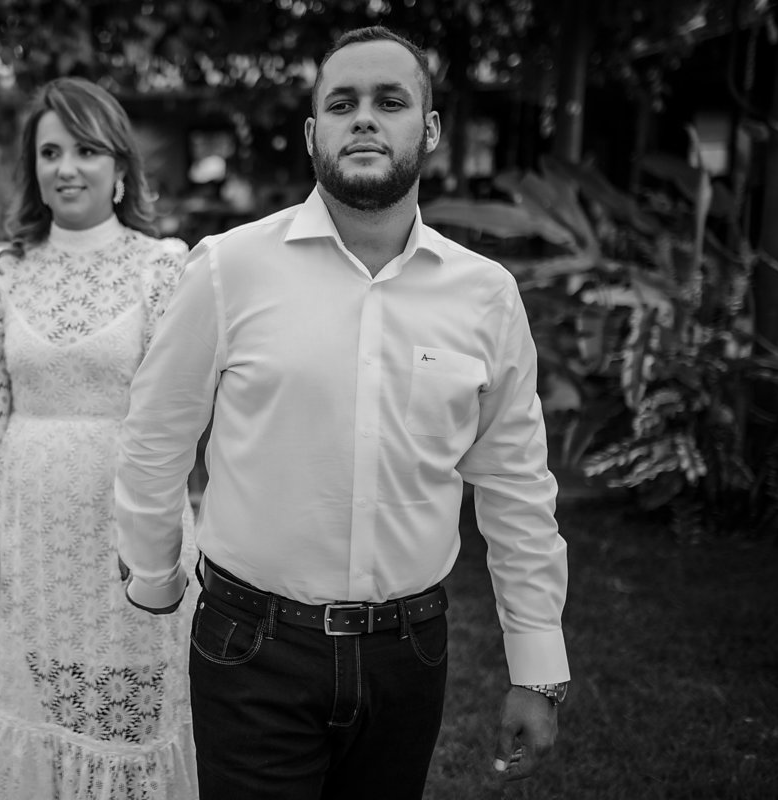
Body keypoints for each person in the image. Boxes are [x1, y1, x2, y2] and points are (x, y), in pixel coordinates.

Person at [115, 25, 569, 800]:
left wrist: (537, 662)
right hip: (251, 647)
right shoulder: (229, 270)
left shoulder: (486, 295)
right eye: (342, 102)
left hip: (409, 652)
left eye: (390, 102)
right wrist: (155, 574)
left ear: (427, 130)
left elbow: (515, 484)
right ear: (311, 133)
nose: (364, 118)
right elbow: (158, 435)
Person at [0, 77, 199, 800]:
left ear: (120, 168)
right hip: (30, 520)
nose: (66, 167)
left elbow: (184, 408)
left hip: (130, 516)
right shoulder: (0, 273)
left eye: (86, 150)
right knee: (45, 681)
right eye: (50, 151)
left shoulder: (163, 266)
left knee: (130, 690)